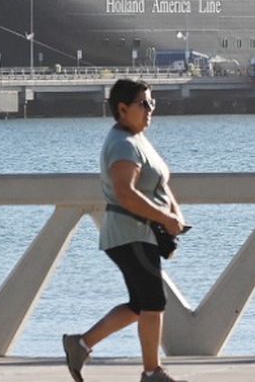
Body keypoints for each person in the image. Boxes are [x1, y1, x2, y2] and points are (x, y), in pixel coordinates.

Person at [63, 79, 187, 382]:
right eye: (144, 104)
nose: (150, 109)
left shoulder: (137, 139)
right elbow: (126, 192)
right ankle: (151, 372)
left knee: (139, 304)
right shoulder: (122, 144)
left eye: (152, 103)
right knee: (153, 302)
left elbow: (159, 183)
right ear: (122, 109)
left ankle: (80, 344)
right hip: (130, 233)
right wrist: (163, 216)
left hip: (141, 233)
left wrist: (175, 215)